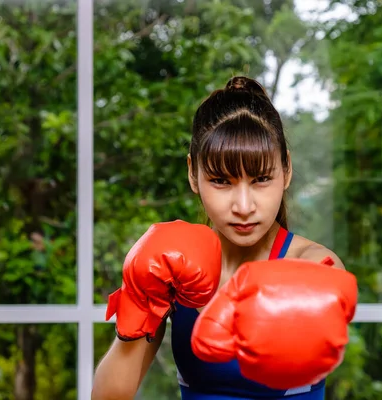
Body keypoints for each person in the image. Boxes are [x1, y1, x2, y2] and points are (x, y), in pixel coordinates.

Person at [91, 76, 357, 400]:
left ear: (286, 170)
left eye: (261, 179)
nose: (243, 207)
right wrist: (137, 302)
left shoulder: (312, 264)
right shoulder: (173, 269)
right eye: (221, 180)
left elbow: (329, 296)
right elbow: (109, 396)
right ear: (193, 174)